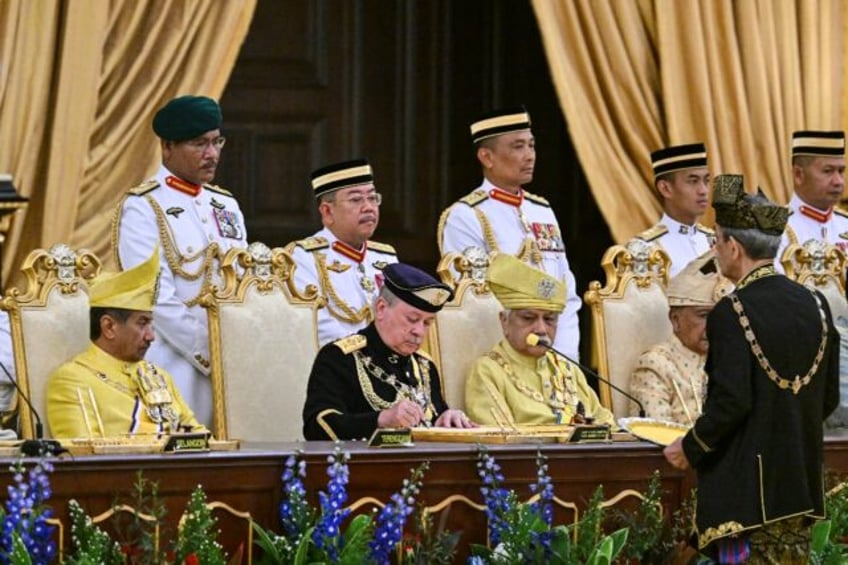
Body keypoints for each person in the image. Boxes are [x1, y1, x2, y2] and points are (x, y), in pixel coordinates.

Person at [664, 174, 839, 562]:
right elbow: (827, 398)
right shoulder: (817, 304)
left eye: (717, 239)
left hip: (748, 498)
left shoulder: (732, 310)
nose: (716, 249)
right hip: (800, 484)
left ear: (734, 246)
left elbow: (731, 402)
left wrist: (689, 448)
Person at [112, 95, 247, 427]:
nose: (212, 154)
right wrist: (210, 353)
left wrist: (239, 352)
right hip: (173, 362)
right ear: (168, 146)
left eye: (217, 142)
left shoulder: (224, 204)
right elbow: (155, 297)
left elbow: (244, 284)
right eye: (199, 144)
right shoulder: (143, 206)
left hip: (236, 364)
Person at [438, 106, 581, 359]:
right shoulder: (466, 216)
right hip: (500, 360)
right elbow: (473, 304)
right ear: (487, 157)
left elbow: (566, 293)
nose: (530, 156)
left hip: (555, 356)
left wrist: (565, 357)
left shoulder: (543, 210)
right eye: (518, 147)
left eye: (531, 145)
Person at [47, 249, 206, 438]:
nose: (151, 336)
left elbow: (200, 439)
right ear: (109, 327)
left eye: (150, 324)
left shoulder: (159, 377)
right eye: (142, 323)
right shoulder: (73, 380)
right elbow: (85, 459)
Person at [302, 263, 473, 440]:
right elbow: (316, 426)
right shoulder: (339, 358)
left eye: (427, 323)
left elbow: (428, 424)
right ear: (382, 308)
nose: (419, 332)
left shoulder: (424, 366)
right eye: (412, 319)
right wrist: (380, 420)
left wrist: (446, 420)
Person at [464, 253, 615, 428]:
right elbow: (501, 439)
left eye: (550, 319)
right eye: (528, 318)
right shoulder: (487, 370)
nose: (541, 329)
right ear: (504, 321)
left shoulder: (567, 369)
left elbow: (606, 422)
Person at [287, 159, 398, 346]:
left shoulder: (385, 257)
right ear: (328, 212)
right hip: (338, 366)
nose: (369, 207)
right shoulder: (303, 258)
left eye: (372, 198)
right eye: (356, 200)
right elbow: (316, 327)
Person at [629, 251, 726, 426]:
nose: (714, 325)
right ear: (675, 320)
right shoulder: (655, 364)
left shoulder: (729, 359)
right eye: (703, 315)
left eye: (719, 316)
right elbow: (657, 437)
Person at [637, 143, 713, 277]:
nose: (704, 190)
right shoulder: (645, 249)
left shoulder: (715, 241)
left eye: (706, 181)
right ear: (665, 189)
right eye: (693, 181)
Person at [777, 130, 848, 263]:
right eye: (828, 171)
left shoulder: (845, 224)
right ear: (798, 175)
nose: (838, 181)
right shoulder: (775, 232)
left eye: (841, 171)